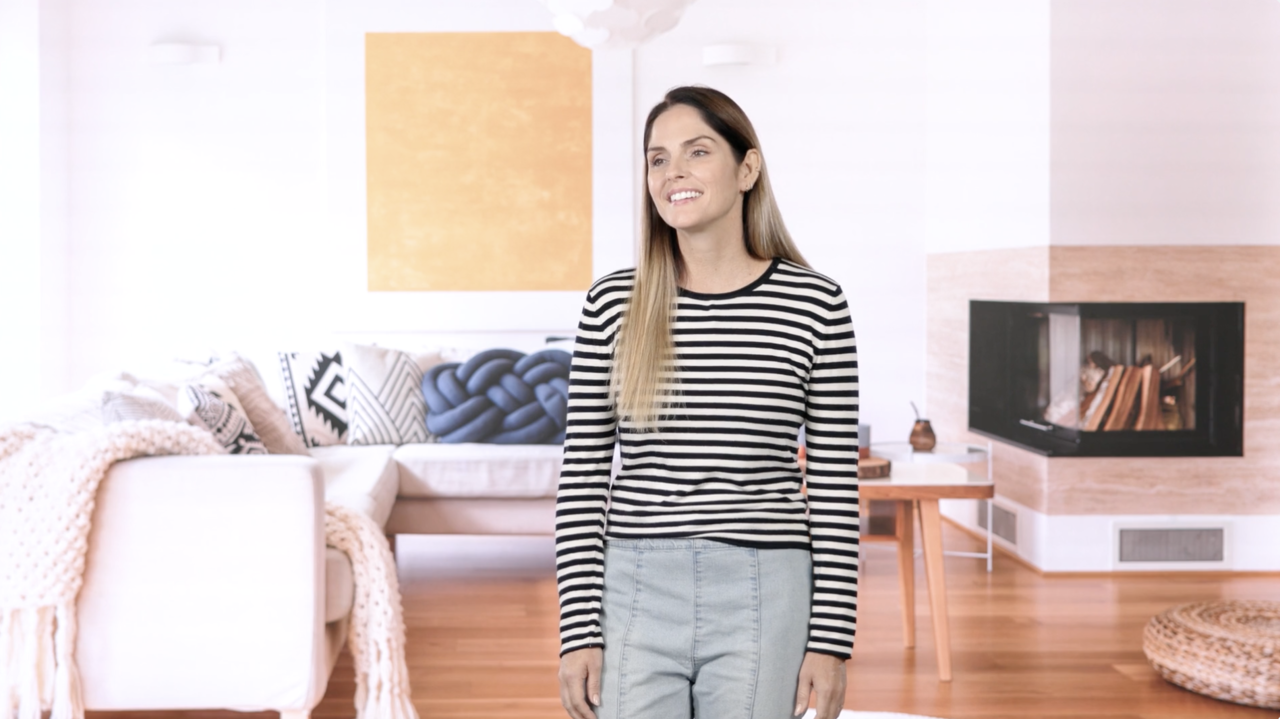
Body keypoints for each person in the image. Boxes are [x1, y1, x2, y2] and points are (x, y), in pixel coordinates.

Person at [555, 85, 859, 719]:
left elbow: (834, 487)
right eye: (658, 158)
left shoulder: (816, 305)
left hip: (766, 588)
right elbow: (582, 479)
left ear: (747, 169)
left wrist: (832, 643)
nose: (674, 172)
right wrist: (577, 632)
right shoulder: (612, 304)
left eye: (697, 151)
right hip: (635, 588)